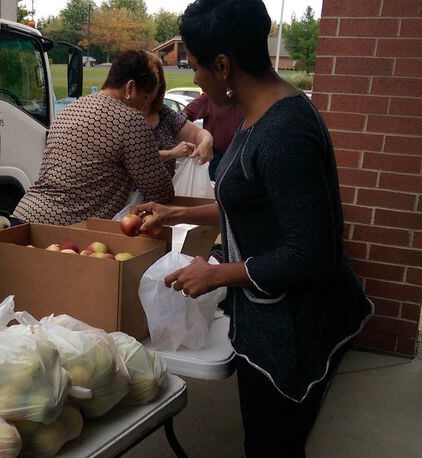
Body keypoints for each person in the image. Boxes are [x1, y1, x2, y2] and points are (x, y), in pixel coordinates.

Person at [134, 1, 373, 456]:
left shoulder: (284, 131)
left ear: (223, 65)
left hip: (293, 328)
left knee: (272, 446)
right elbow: (248, 204)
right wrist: (175, 213)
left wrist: (217, 274)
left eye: (197, 67)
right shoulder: (256, 111)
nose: (195, 78)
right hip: (265, 317)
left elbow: (311, 251)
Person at [13, 50, 174, 226]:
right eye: (145, 98)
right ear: (130, 88)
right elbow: (160, 191)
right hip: (66, 230)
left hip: (24, 216)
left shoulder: (71, 109)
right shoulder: (130, 120)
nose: (145, 107)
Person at [143, 53, 213, 178]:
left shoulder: (164, 114)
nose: (149, 87)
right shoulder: (123, 116)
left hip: (165, 194)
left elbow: (198, 134)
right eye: (145, 80)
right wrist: (171, 153)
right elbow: (135, 158)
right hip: (132, 196)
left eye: (155, 81)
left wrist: (206, 141)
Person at [184, 92, 245, 180]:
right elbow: (184, 116)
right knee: (213, 189)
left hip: (240, 156)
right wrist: (193, 140)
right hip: (215, 157)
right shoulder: (210, 96)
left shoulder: (246, 95)